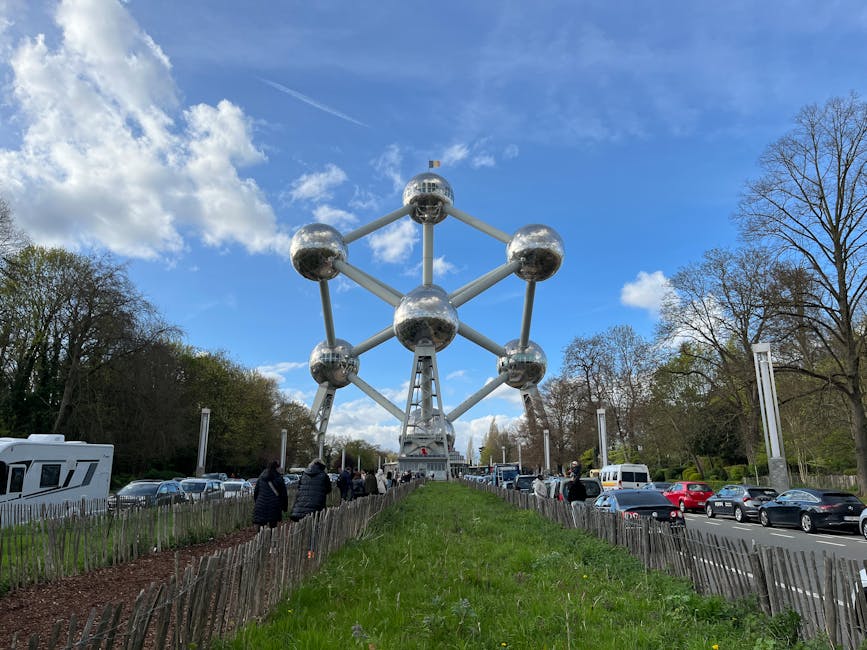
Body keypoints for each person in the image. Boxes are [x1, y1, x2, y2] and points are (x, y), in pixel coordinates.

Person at [289, 458, 332, 522]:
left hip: (300, 508)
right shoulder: (324, 476)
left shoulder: (304, 474)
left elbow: (299, 487)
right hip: (316, 506)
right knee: (314, 526)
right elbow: (328, 489)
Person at [252, 460, 288, 531]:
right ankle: (271, 539)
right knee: (272, 527)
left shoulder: (261, 477)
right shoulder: (278, 478)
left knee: (261, 526)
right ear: (277, 468)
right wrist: (284, 507)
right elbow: (283, 495)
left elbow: (256, 492)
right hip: (274, 506)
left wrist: (257, 502)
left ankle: (261, 540)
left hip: (260, 505)